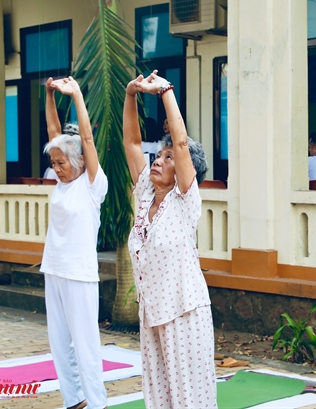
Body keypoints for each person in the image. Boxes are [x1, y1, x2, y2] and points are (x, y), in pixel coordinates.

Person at [123, 71, 217, 408]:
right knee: (159, 398)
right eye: (158, 157)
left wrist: (164, 90)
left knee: (189, 399)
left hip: (184, 314)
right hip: (152, 314)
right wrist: (131, 95)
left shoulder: (185, 200)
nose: (159, 161)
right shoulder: (146, 193)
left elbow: (180, 142)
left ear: (184, 168)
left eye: (168, 159)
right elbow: (132, 143)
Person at [41, 77, 109, 409]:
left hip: (80, 274)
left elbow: (86, 138)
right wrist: (49, 94)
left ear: (79, 160)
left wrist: (78, 94)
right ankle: (74, 401)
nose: (56, 169)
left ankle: (97, 404)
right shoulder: (61, 177)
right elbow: (54, 130)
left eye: (61, 163)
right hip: (53, 268)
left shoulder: (93, 184)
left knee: (85, 345)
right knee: (59, 343)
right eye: (54, 163)